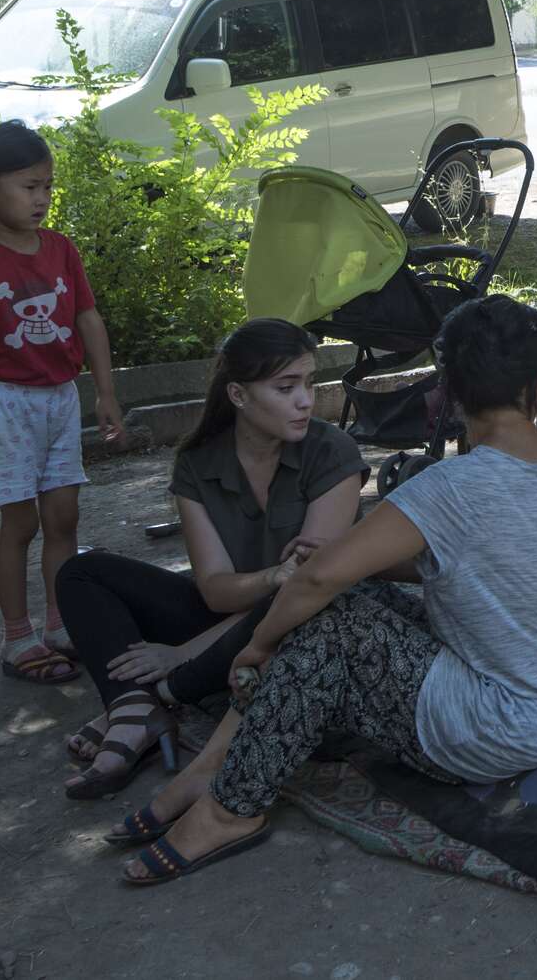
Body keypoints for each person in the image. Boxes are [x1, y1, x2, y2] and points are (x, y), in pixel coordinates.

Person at [118, 294, 537, 884]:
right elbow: (483, 561)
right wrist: (354, 565)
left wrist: (258, 644)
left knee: (329, 615)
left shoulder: (451, 485)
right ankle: (213, 767)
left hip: (499, 730)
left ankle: (229, 806)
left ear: (446, 383)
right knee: (352, 594)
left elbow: (319, 579)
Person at [53, 318, 368, 799]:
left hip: (304, 629)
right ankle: (138, 708)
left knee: (304, 595)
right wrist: (270, 576)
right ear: (239, 396)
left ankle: (145, 703)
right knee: (82, 573)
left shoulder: (332, 453)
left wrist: (183, 653)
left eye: (308, 383)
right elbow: (216, 590)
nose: (306, 400)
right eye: (286, 387)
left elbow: (308, 590)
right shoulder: (198, 464)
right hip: (231, 619)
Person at [0, 122, 125, 687]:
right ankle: (17, 637)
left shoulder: (62, 250)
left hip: (60, 400)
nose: (42, 198)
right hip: (7, 406)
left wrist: (106, 392)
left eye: (47, 186)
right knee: (19, 526)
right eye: (29, 186)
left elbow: (87, 319)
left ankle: (60, 624)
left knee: (64, 519)